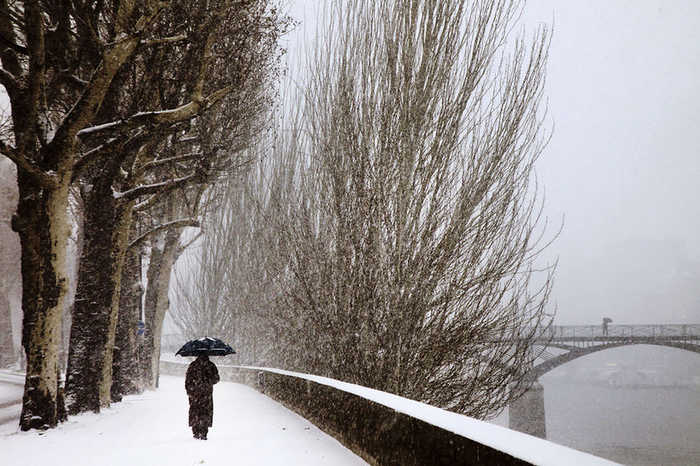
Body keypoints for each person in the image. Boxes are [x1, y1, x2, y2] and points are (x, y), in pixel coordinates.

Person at [185, 353, 220, 440]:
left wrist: (190, 391)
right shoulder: (211, 365)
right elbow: (216, 379)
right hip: (206, 393)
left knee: (195, 410)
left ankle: (196, 431)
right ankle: (204, 432)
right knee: (205, 411)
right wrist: (208, 380)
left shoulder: (193, 365)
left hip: (195, 394)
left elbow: (188, 380)